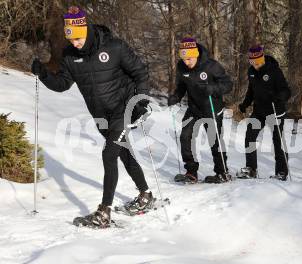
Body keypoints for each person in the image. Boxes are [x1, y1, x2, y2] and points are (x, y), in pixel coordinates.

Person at [31, 6, 153, 227]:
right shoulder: (69, 56)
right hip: (100, 116)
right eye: (71, 38)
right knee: (124, 154)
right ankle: (145, 194)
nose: (75, 42)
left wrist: (141, 101)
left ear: (86, 29)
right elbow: (62, 84)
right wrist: (44, 74)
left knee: (109, 154)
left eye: (78, 37)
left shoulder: (114, 47)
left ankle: (104, 212)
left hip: (124, 109)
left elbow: (140, 72)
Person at [168, 37, 233, 184]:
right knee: (185, 136)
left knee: (214, 140)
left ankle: (222, 172)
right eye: (184, 58)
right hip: (194, 108)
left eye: (189, 58)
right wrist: (176, 97)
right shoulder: (181, 67)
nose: (187, 62)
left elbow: (228, 84)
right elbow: (181, 86)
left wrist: (214, 89)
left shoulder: (211, 66)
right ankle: (191, 172)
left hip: (212, 107)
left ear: (196, 54)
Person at [237, 45, 291, 181]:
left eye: (257, 62)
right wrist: (245, 104)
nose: (255, 65)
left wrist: (279, 96)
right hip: (259, 111)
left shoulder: (273, 70)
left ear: (262, 59)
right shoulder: (251, 72)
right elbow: (251, 91)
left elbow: (286, 91)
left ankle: (281, 172)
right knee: (250, 135)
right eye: (252, 62)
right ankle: (251, 169)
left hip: (275, 110)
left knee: (277, 141)